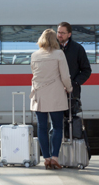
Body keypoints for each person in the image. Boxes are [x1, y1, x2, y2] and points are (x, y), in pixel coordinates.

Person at [31, 29, 72, 170]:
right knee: (57, 127)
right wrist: (69, 88)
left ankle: (46, 159)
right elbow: (65, 76)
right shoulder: (59, 54)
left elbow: (34, 74)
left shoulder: (34, 55)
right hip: (55, 95)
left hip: (40, 96)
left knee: (42, 128)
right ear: (54, 40)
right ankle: (55, 158)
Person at [57, 22, 92, 99]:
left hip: (72, 94)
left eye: (63, 33)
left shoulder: (78, 49)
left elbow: (86, 70)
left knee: (70, 111)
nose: (59, 35)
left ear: (69, 34)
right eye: (58, 32)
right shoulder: (52, 48)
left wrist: (74, 83)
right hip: (55, 92)